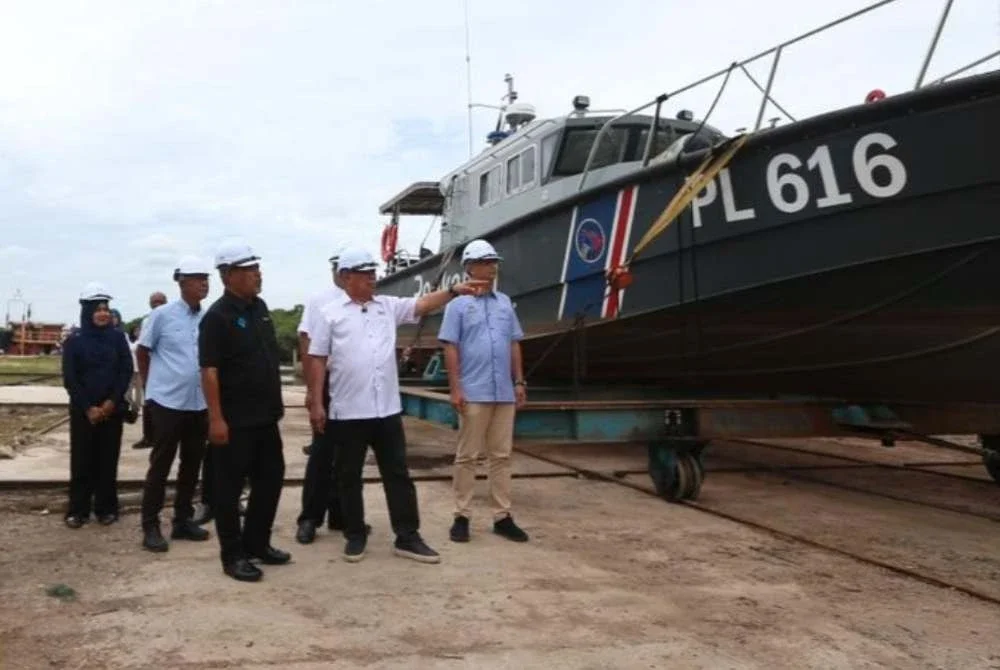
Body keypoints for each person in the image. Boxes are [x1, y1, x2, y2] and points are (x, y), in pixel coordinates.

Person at [306, 246, 489, 563]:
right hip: (348, 411)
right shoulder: (330, 314)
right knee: (348, 476)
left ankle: (407, 535)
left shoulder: (387, 307)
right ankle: (355, 534)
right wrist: (316, 403)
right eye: (365, 274)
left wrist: (452, 291)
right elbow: (318, 359)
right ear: (346, 277)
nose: (372, 279)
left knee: (398, 474)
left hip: (387, 411)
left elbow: (421, 305)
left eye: (373, 273)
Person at [199, 240, 289, 582]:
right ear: (229, 275)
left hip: (266, 418)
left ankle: (257, 543)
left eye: (257, 268)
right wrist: (216, 418)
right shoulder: (217, 318)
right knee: (228, 489)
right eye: (250, 270)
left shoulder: (260, 308)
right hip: (234, 422)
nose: (257, 275)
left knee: (270, 481)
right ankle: (232, 555)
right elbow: (209, 371)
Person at [438, 239, 529, 543]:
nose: (492, 267)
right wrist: (455, 388)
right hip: (473, 391)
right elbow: (451, 347)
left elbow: (514, 342)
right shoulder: (457, 306)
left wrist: (519, 381)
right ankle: (461, 515)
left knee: (501, 456)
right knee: (467, 456)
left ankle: (502, 516)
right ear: (469, 267)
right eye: (486, 261)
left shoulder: (505, 302)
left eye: (494, 262)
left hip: (503, 391)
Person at [137, 256, 213, 552]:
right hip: (167, 403)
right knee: (161, 465)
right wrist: (150, 388)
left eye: (206, 278)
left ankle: (182, 520)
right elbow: (143, 351)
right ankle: (150, 525)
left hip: (198, 404)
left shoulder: (207, 318)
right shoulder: (162, 316)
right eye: (197, 279)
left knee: (191, 464)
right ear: (182, 283)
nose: (204, 283)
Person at [60, 282, 134, 528]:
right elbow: (71, 378)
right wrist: (88, 408)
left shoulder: (117, 338)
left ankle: (106, 509)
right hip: (84, 412)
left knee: (107, 460)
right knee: (81, 461)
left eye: (106, 308)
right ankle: (78, 510)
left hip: (111, 411)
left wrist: (111, 402)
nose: (103, 313)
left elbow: (124, 371)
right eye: (98, 309)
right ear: (87, 312)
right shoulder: (74, 341)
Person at [295, 250, 352, 544]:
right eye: (337, 267)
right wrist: (310, 389)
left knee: (349, 454)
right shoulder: (320, 301)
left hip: (355, 386)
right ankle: (309, 518)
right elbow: (306, 341)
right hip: (327, 382)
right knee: (321, 453)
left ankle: (342, 515)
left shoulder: (367, 300)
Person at [132, 291, 168, 449]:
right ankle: (149, 437)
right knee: (149, 404)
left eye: (160, 301)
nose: (157, 304)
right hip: (151, 369)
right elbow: (143, 347)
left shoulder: (172, 318)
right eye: (154, 302)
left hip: (168, 369)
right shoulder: (147, 321)